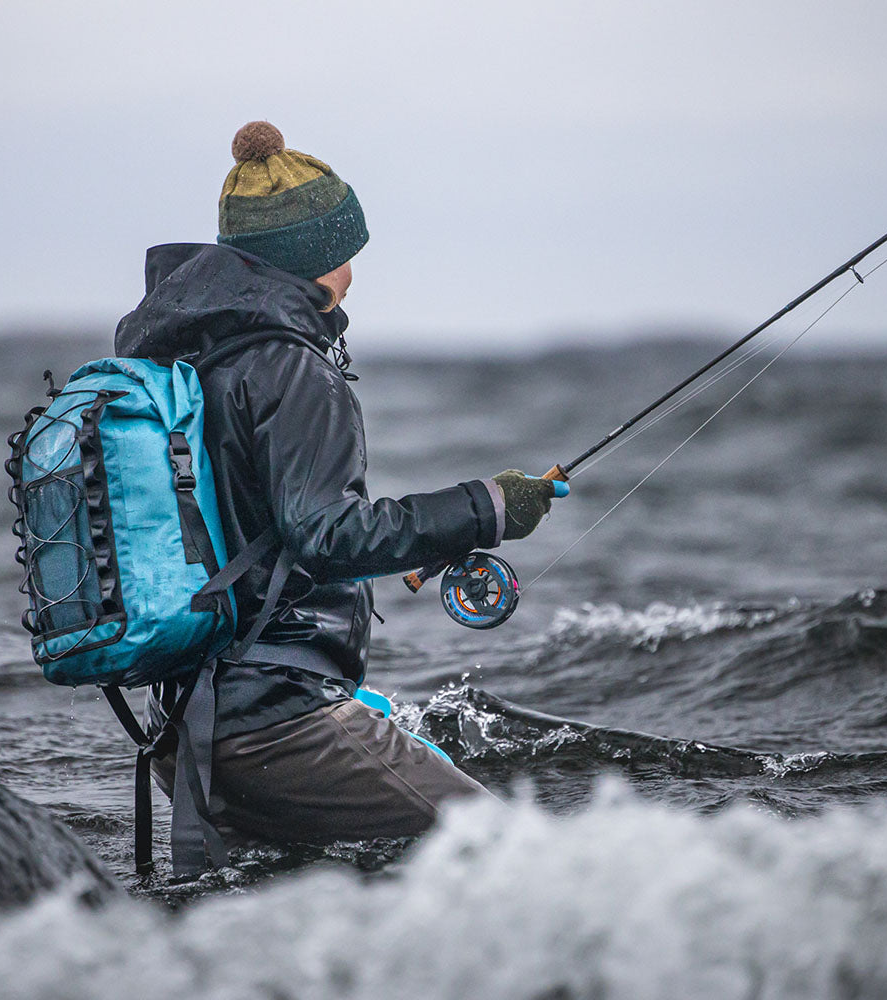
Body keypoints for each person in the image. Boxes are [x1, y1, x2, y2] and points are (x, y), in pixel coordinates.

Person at [113, 120, 560, 852]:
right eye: (346, 252)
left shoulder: (191, 359)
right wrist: (488, 507)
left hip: (188, 733)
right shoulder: (292, 368)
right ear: (314, 258)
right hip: (274, 732)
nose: (353, 272)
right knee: (509, 851)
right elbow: (326, 535)